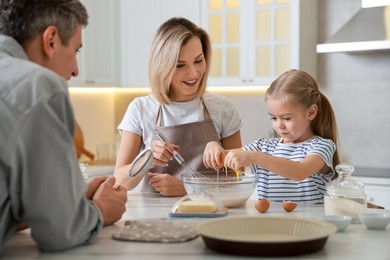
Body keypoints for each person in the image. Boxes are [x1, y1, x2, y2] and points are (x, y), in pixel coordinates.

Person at [0, 0, 127, 252]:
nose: (76, 70)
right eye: (77, 50)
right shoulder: (39, 85)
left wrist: (68, 202)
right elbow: (61, 232)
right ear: (51, 40)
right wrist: (101, 209)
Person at [114, 17, 242, 197]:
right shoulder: (140, 109)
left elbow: (238, 179)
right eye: (180, 65)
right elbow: (120, 182)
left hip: (211, 214)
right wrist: (147, 159)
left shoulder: (223, 109)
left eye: (198, 61)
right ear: (162, 67)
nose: (193, 73)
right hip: (155, 218)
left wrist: (188, 188)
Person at [203, 69, 340, 204]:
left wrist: (255, 157)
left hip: (309, 224)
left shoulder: (322, 146)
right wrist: (214, 146)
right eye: (274, 118)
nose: (279, 125)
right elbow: (229, 156)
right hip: (271, 222)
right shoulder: (264, 147)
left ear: (311, 113)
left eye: (286, 118)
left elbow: (300, 171)